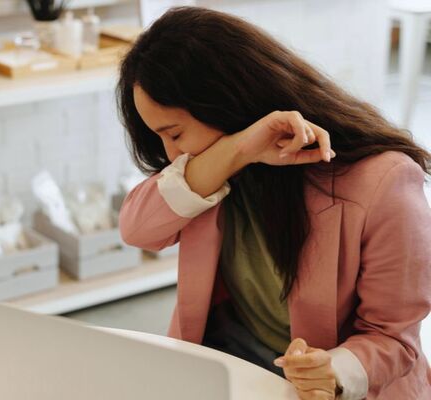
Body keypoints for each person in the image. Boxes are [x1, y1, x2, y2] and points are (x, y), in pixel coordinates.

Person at [117, 7, 430, 400]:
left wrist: (331, 370)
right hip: (227, 351)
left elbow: (394, 337)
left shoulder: (383, 180)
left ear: (224, 101)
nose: (171, 153)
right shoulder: (209, 171)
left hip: (326, 377)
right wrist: (238, 150)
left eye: (175, 133)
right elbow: (137, 229)